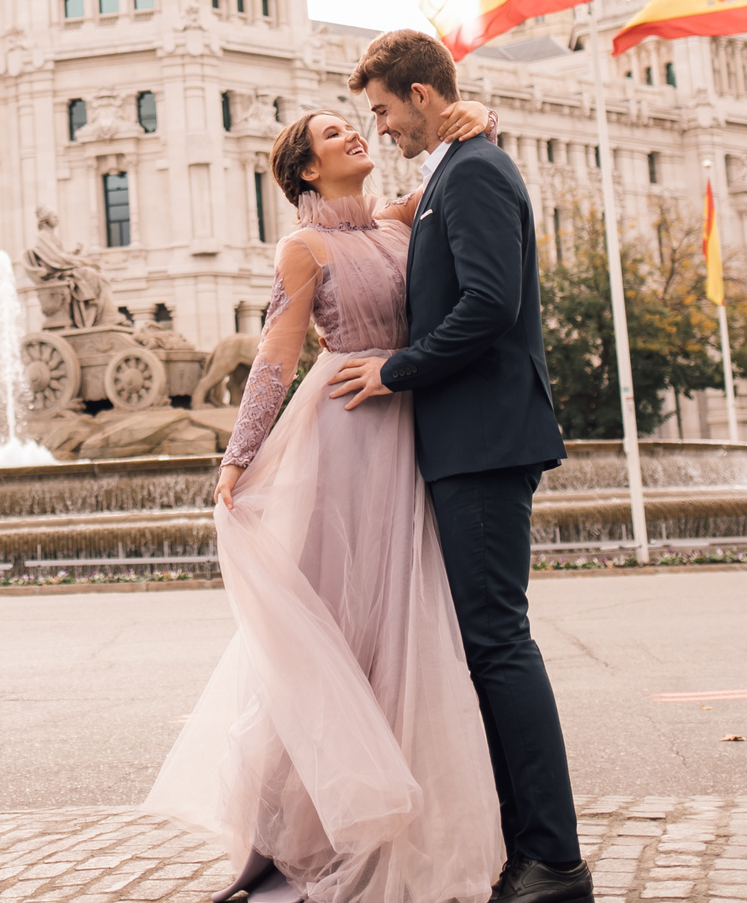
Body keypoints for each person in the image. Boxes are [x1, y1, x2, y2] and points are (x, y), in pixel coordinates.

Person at [147, 90, 506, 903]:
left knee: (405, 627)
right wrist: (238, 457)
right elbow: (276, 355)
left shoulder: (396, 219)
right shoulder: (302, 247)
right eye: (336, 132)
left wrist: (480, 115)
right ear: (310, 166)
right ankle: (288, 836)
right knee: (340, 625)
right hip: (343, 434)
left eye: (355, 122)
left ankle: (400, 824)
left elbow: (463, 168)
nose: (356, 131)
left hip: (411, 423)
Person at [328, 29, 589, 903]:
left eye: (384, 109)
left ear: (423, 96)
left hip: (483, 438)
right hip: (469, 438)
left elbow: (489, 302)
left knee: (499, 643)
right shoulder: (456, 166)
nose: (382, 127)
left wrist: (395, 369)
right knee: (490, 646)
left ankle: (552, 858)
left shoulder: (473, 170)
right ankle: (533, 852)